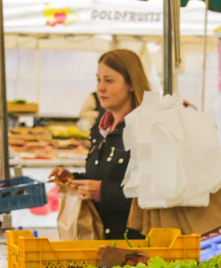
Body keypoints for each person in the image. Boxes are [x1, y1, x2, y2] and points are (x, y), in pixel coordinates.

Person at [49, 49, 148, 239]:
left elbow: (155, 196)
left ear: (132, 84)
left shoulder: (144, 130)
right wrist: (73, 179)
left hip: (131, 249)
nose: (100, 88)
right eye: (98, 80)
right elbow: (103, 176)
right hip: (99, 240)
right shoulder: (101, 130)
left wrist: (103, 191)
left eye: (109, 80)